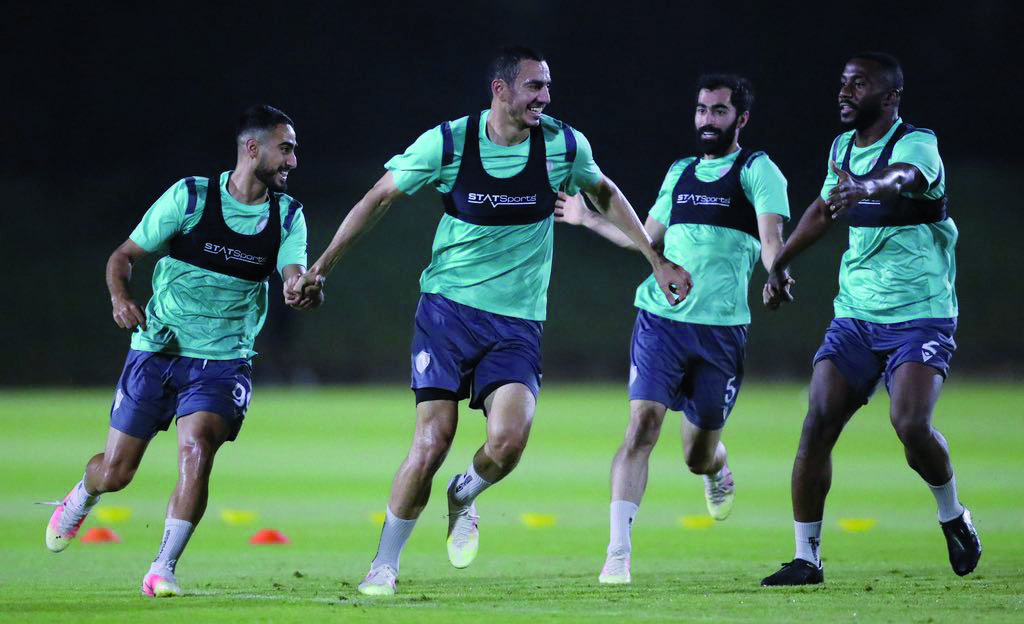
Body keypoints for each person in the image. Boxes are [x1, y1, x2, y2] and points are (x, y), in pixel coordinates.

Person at [288, 45, 692, 596]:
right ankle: (384, 564)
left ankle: (464, 494)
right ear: (500, 91)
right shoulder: (450, 142)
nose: (544, 98)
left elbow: (606, 193)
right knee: (432, 440)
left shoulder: (564, 145)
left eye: (547, 88)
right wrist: (321, 267)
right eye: (533, 87)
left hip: (518, 322)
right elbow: (379, 197)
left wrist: (656, 259)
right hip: (447, 312)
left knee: (508, 443)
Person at [44, 105, 319, 597]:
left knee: (197, 450)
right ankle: (83, 495)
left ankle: (162, 568)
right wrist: (121, 298)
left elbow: (291, 271)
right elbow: (123, 257)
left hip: (224, 359)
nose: (293, 161)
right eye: (286, 148)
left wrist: (301, 286)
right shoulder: (191, 196)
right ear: (252, 148)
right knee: (116, 472)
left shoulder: (288, 215)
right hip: (159, 350)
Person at [555, 74, 791, 584]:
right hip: (660, 321)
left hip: (722, 333)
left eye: (720, 111)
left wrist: (777, 271)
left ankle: (717, 468)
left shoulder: (758, 170)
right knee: (641, 427)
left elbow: (772, 240)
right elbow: (645, 240)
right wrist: (587, 218)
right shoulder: (680, 172)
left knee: (696, 453)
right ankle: (618, 553)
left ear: (741, 119)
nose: (708, 119)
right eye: (702, 110)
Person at [760, 52, 980, 586]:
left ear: (890, 96)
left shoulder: (916, 142)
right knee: (817, 425)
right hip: (856, 315)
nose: (845, 92)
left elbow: (902, 177)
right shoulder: (841, 148)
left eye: (858, 84)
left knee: (910, 425)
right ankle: (806, 559)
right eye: (843, 83)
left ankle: (953, 515)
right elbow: (822, 210)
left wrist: (870, 187)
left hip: (921, 316)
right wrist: (779, 264)